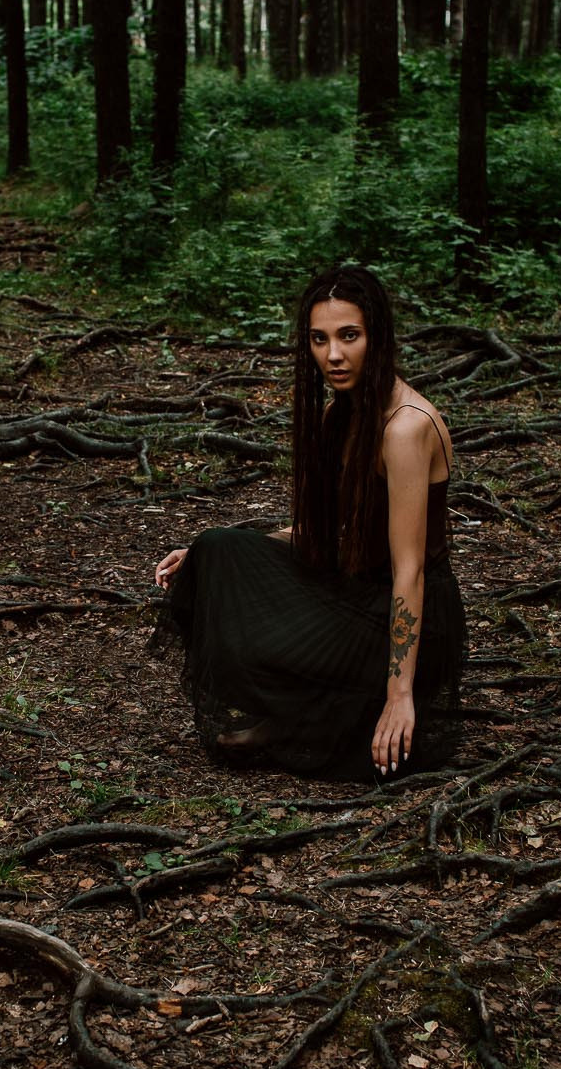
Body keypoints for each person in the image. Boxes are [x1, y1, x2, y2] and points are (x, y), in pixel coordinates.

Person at [154, 266, 465, 781]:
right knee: (217, 548)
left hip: (407, 617)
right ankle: (298, 716)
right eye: (319, 340)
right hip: (352, 587)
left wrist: (400, 695)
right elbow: (332, 532)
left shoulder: (407, 429)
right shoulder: (338, 414)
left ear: (378, 337)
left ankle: (308, 719)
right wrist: (212, 558)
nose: (333, 356)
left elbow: (409, 571)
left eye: (349, 336)